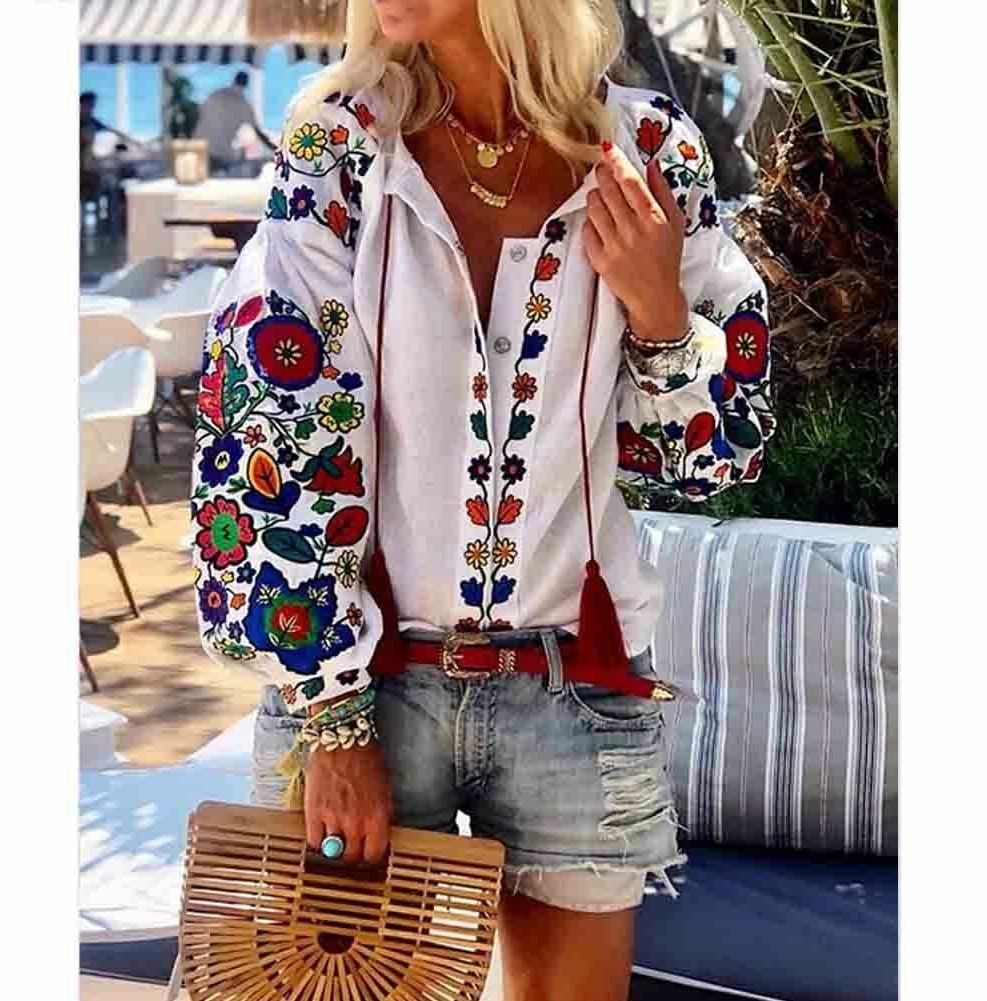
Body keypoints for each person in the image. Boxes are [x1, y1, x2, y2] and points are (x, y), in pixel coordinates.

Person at [191, 2, 775, 998]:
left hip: (577, 687)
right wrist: (332, 719)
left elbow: (712, 458)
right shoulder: (339, 149)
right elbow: (269, 434)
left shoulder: (647, 153)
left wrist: (660, 314)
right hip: (366, 686)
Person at [193, 70, 277, 173]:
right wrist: (276, 149)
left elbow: (197, 116)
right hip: (218, 155)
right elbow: (258, 133)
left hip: (199, 150)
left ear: (234, 80)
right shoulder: (244, 106)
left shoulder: (215, 95)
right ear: (246, 84)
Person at [80, 91, 145, 202]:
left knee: (104, 189)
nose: (91, 109)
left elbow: (113, 131)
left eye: (92, 106)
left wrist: (134, 142)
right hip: (83, 167)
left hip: (90, 167)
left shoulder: (92, 122)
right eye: (89, 105)